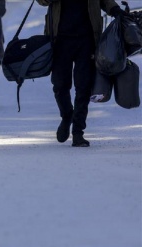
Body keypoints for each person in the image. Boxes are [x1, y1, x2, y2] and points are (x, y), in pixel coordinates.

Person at [36, 0, 126, 147]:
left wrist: (115, 9)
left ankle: (78, 132)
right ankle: (66, 116)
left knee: (83, 87)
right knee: (60, 85)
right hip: (59, 39)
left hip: (88, 39)